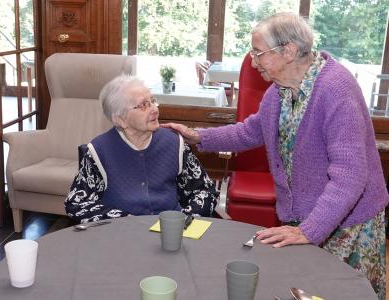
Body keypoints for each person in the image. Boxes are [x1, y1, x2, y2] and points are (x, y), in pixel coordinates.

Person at [163, 12, 388, 299]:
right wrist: (198, 137)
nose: (253, 62)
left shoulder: (335, 89)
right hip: (308, 218)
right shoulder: (280, 91)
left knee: (339, 292)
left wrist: (309, 230)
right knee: (304, 287)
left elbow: (351, 176)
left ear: (289, 51)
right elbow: (251, 131)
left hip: (349, 222)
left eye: (259, 53)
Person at [65, 75, 218, 224]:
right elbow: (77, 203)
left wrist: (184, 220)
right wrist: (127, 221)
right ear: (120, 119)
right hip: (122, 236)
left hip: (173, 231)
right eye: (144, 105)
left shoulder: (174, 142)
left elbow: (204, 190)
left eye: (153, 101)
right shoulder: (98, 151)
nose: (154, 110)